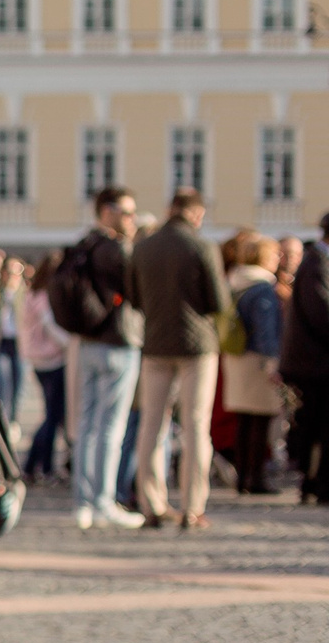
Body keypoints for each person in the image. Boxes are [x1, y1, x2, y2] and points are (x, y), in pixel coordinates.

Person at [127, 187, 227, 529]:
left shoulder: (143, 247)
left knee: (151, 423)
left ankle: (151, 502)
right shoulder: (202, 246)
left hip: (155, 342)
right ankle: (191, 507)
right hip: (197, 345)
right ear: (197, 214)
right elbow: (218, 301)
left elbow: (134, 297)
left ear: (171, 209)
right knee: (196, 424)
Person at [53, 185, 146, 529]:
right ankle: (104, 500)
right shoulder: (116, 249)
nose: (132, 219)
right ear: (107, 212)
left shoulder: (82, 244)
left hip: (87, 341)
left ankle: (83, 503)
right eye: (127, 212)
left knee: (86, 424)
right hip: (119, 341)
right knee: (111, 426)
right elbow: (138, 290)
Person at [222, 231, 283, 495]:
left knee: (244, 421)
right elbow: (265, 329)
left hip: (236, 357)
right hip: (257, 359)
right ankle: (254, 477)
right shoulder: (262, 287)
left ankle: (243, 476)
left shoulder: (235, 281)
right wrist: (272, 363)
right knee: (260, 420)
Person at [281, 215, 329, 502]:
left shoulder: (315, 262)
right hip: (314, 364)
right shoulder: (317, 264)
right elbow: (321, 313)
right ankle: (316, 483)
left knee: (316, 424)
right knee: (317, 424)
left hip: (314, 361)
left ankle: (315, 482)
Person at [19, 249, 70, 482]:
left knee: (51, 414)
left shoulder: (31, 295)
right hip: (52, 359)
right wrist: (71, 344)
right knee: (52, 415)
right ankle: (41, 465)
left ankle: (35, 465)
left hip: (39, 360)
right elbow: (51, 327)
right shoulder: (43, 297)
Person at [0, 256, 28, 422]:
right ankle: (2, 422)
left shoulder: (25, 295)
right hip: (0, 343)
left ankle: (13, 421)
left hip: (20, 344)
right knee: (2, 386)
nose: (13, 276)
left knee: (18, 387)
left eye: (18, 272)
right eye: (10, 272)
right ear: (3, 273)